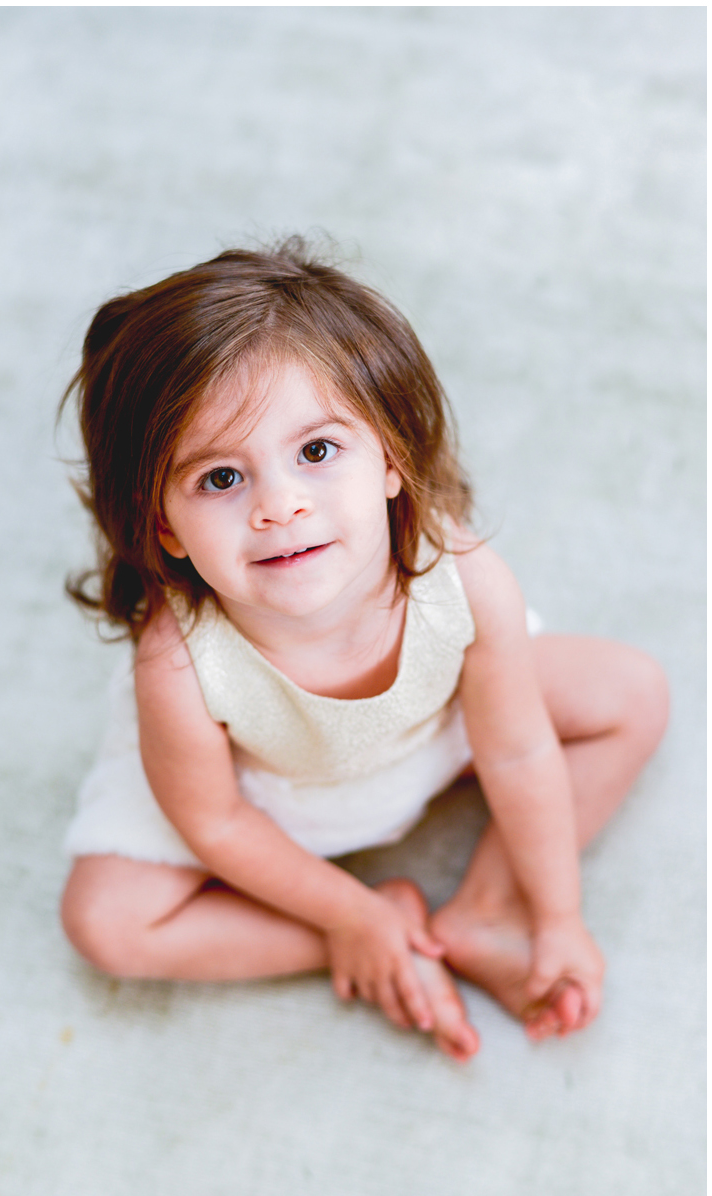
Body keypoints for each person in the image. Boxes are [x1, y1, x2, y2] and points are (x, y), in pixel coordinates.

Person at [58, 240, 668, 1062]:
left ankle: (486, 910)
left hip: (435, 731)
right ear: (162, 523)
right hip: (265, 793)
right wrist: (350, 915)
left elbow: (517, 750)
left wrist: (556, 917)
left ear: (389, 455)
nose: (279, 506)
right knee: (102, 922)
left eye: (315, 452)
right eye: (219, 479)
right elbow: (215, 821)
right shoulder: (176, 666)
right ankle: (383, 937)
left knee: (632, 694)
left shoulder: (463, 582)